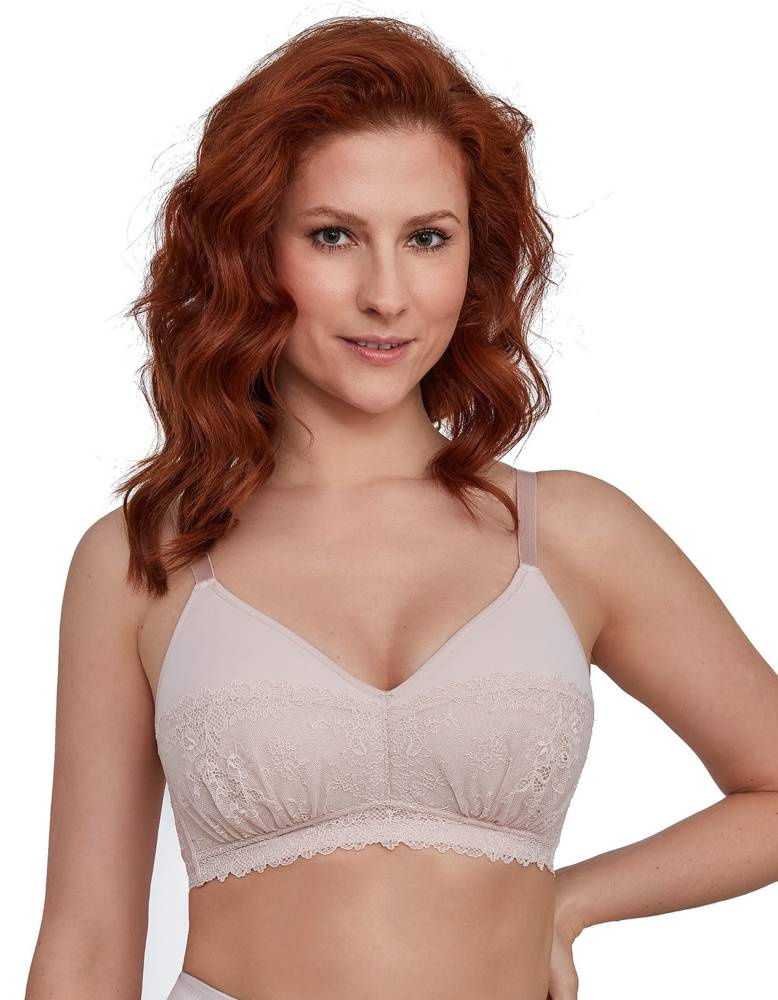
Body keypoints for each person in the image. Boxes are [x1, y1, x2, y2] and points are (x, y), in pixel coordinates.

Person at [25, 15, 778, 1000]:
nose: (386, 294)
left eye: (427, 238)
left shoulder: (573, 535)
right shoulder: (144, 559)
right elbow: (86, 945)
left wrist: (570, 901)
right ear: (253, 251)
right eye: (333, 235)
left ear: (473, 257)